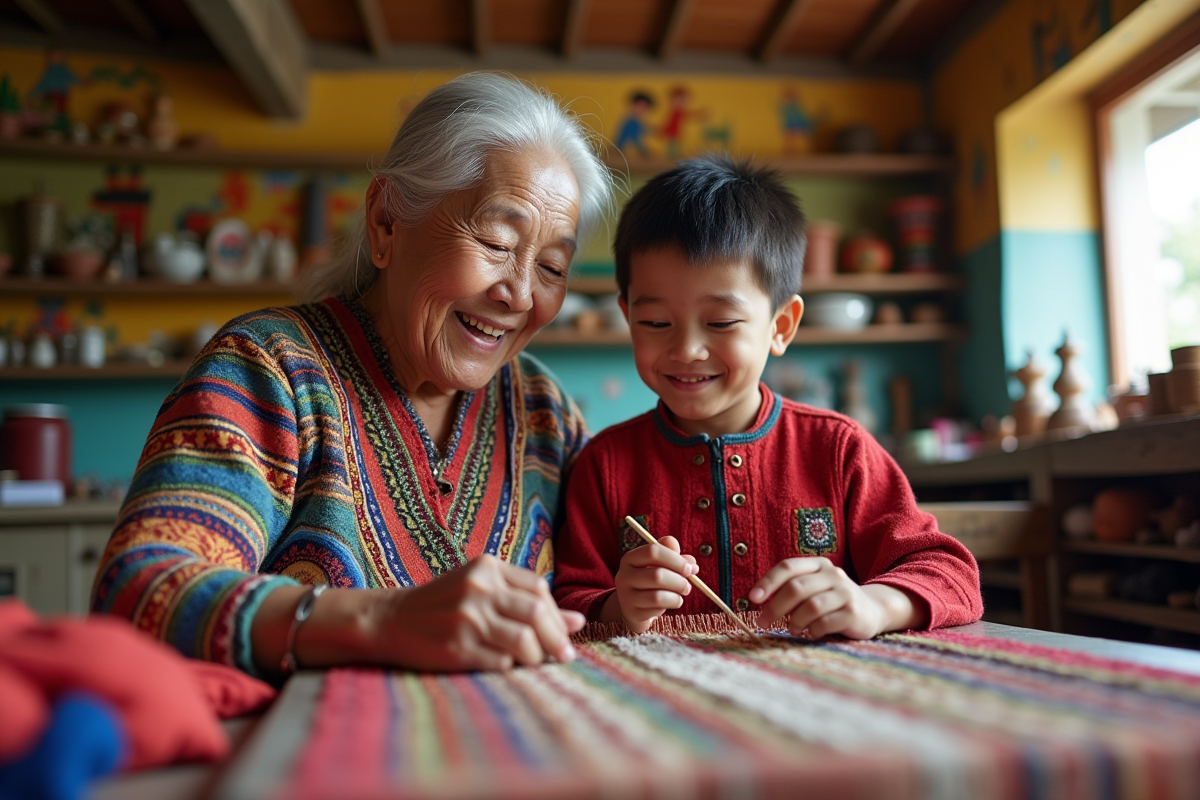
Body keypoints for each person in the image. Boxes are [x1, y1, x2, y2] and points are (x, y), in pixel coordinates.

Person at [91, 72, 615, 680]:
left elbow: (605, 596)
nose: (521, 294)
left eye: (552, 266)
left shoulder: (542, 410)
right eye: (497, 243)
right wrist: (381, 621)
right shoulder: (269, 369)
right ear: (387, 221)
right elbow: (138, 592)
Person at [553, 155, 982, 638]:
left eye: (720, 323)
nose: (687, 349)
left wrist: (873, 606)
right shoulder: (604, 465)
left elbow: (950, 573)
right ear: (627, 316)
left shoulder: (838, 450)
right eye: (655, 323)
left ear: (781, 327)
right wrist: (618, 609)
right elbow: (570, 600)